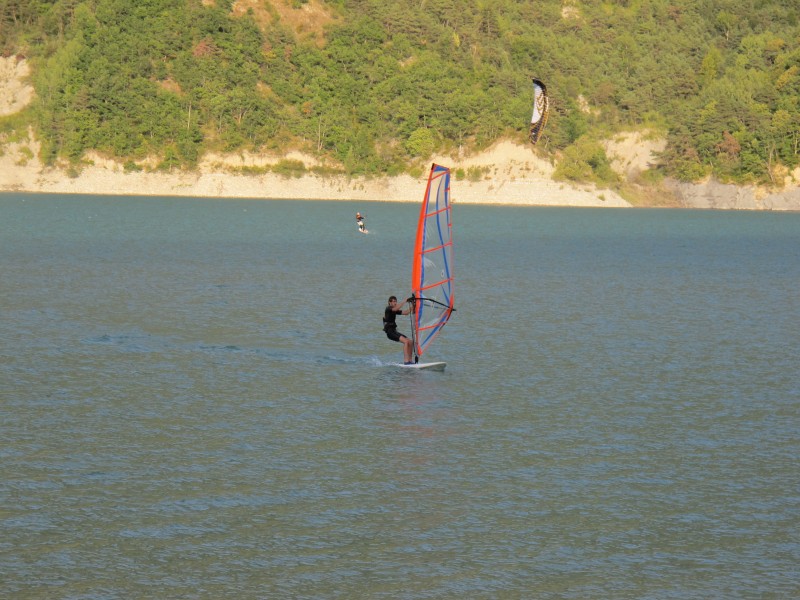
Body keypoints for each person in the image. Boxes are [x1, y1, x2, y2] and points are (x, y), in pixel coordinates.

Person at [383, 295, 415, 364]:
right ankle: (406, 361)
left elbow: (406, 313)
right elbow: (395, 309)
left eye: (395, 301)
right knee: (406, 342)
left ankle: (410, 360)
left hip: (394, 331)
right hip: (390, 332)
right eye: (393, 301)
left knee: (411, 342)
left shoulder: (395, 310)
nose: (395, 303)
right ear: (389, 303)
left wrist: (413, 305)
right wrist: (405, 301)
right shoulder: (388, 308)